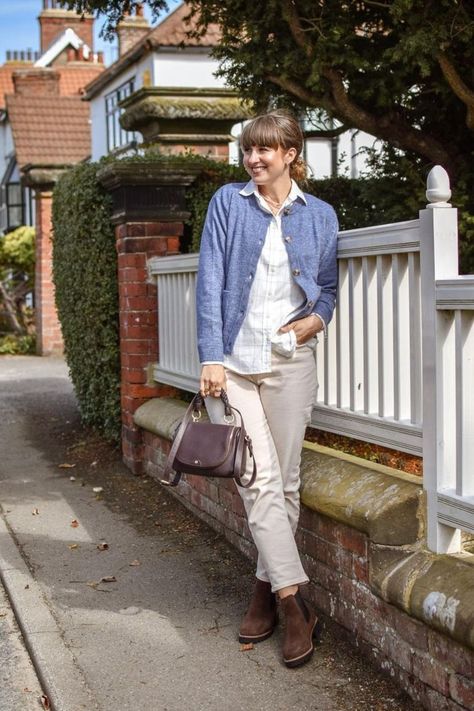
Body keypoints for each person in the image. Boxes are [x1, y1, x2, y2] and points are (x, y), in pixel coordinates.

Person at [196, 110, 338, 668]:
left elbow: (326, 288)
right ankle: (295, 602)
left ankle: (263, 589)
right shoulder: (228, 205)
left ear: (291, 154)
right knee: (256, 478)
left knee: (286, 482)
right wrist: (209, 355)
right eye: (249, 151)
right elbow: (210, 280)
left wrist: (316, 321)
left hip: (289, 362)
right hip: (232, 364)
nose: (254, 160)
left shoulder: (320, 215)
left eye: (266, 151)